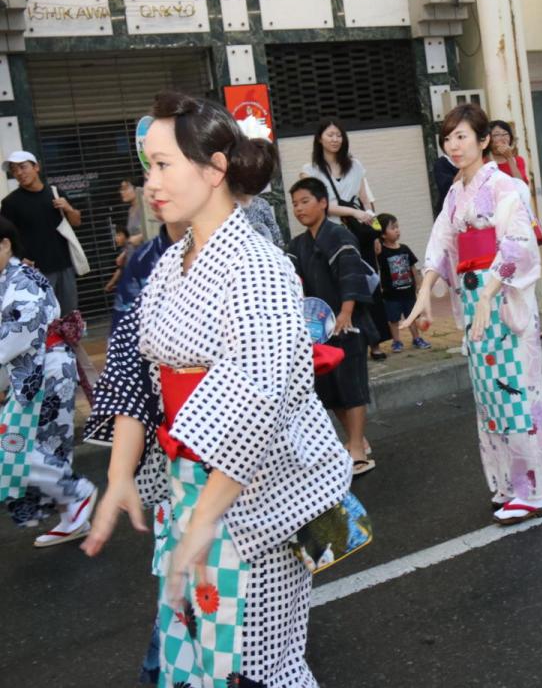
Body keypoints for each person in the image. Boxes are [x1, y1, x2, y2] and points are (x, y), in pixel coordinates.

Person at [81, 91, 351, 686]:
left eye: (162, 164)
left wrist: (205, 518)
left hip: (253, 493)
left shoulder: (257, 265)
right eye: (148, 165)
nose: (149, 181)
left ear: (214, 168)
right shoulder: (171, 262)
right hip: (188, 483)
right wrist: (121, 474)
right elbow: (136, 366)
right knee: (196, 650)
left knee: (255, 665)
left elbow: (259, 394)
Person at [404, 103, 542, 524]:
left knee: (516, 391)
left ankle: (532, 489)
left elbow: (518, 246)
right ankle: (505, 484)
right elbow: (440, 243)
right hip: (474, 302)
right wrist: (425, 292)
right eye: (448, 138)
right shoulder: (454, 192)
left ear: (484, 140)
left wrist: (488, 293)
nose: (454, 145)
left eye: (462, 136)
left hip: (501, 299)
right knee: (489, 399)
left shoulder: (506, 187)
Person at [0, 215, 95, 546]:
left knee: (15, 446)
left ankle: (77, 492)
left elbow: (18, 335)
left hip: (46, 370)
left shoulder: (22, 280)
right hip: (39, 371)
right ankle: (73, 514)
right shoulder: (10, 277)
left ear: (5, 243)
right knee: (43, 445)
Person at [288, 178, 376, 476]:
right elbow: (291, 282)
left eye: (305, 201)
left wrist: (347, 311)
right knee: (329, 388)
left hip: (346, 323)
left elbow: (351, 273)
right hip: (317, 329)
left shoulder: (339, 235)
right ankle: (357, 439)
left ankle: (355, 448)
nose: (299, 209)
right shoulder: (297, 244)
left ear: (323, 202)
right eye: (295, 204)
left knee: (351, 385)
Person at [301, 119, 388, 360]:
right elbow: (321, 205)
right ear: (320, 138)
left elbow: (366, 202)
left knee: (368, 287)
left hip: (359, 235)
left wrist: (376, 233)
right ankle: (343, 339)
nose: (335, 139)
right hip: (330, 236)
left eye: (339, 135)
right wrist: (353, 212)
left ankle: (376, 341)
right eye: (330, 134)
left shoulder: (355, 166)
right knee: (339, 289)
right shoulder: (310, 171)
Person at [1, 151, 82, 317]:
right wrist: (18, 257)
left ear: (36, 167)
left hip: (65, 265)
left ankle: (70, 344)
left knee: (69, 316)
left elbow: (76, 222)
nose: (19, 173)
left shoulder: (55, 192)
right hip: (35, 270)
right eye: (14, 170)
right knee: (44, 317)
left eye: (23, 167)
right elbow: (5, 236)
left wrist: (68, 208)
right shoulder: (10, 203)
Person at [374, 212, 431, 351]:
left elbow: (413, 268)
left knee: (412, 317)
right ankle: (397, 341)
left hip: (408, 292)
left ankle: (416, 338)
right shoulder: (381, 252)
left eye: (397, 227)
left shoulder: (404, 248)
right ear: (383, 234)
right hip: (390, 294)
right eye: (393, 228)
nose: (397, 230)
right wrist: (375, 238)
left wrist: (419, 284)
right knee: (393, 320)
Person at [119, 178, 147, 247]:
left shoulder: (146, 207)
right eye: (121, 189)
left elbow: (156, 229)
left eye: (125, 188)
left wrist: (140, 237)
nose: (122, 192)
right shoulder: (130, 210)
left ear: (137, 189)